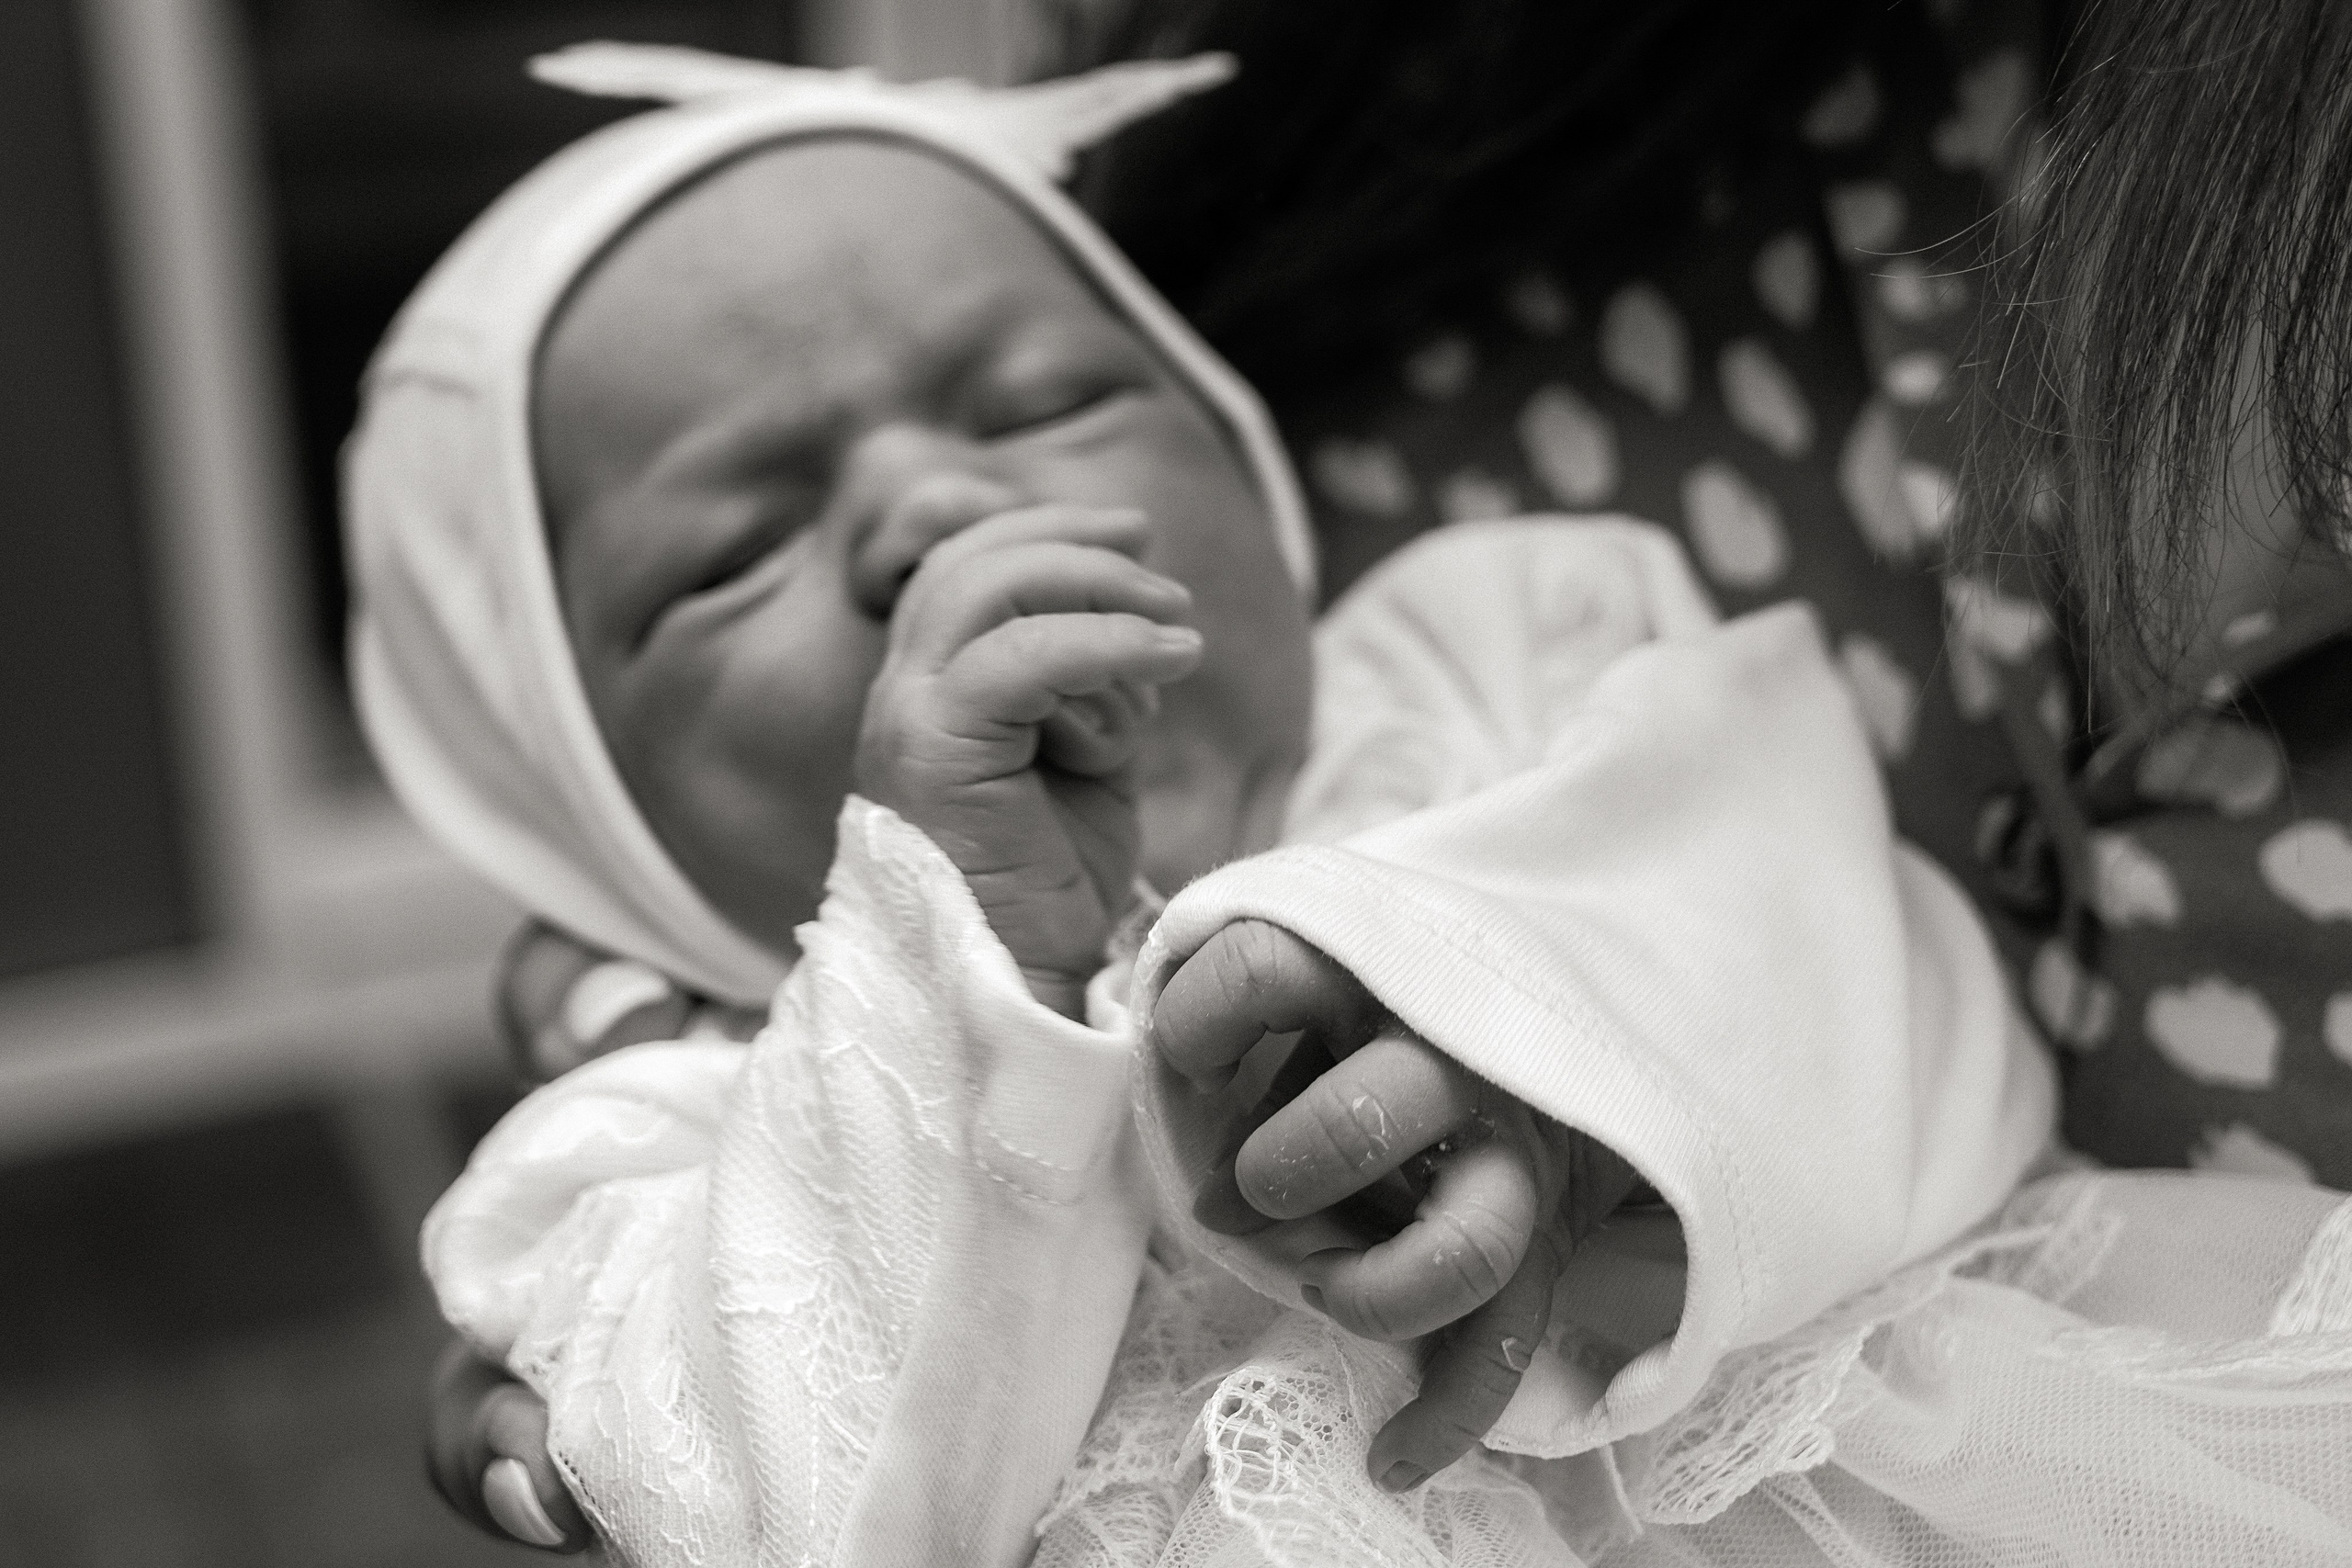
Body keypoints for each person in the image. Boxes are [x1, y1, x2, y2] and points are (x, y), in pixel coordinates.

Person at [421, 0, 2352, 1553]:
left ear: (1247, 450)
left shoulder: (1510, 646)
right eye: (724, 554)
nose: (932, 506)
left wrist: (1563, 1072)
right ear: (577, 811)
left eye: (1040, 396)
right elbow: (761, 1503)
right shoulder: (639, 1147)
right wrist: (942, 968)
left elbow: (1856, 964)